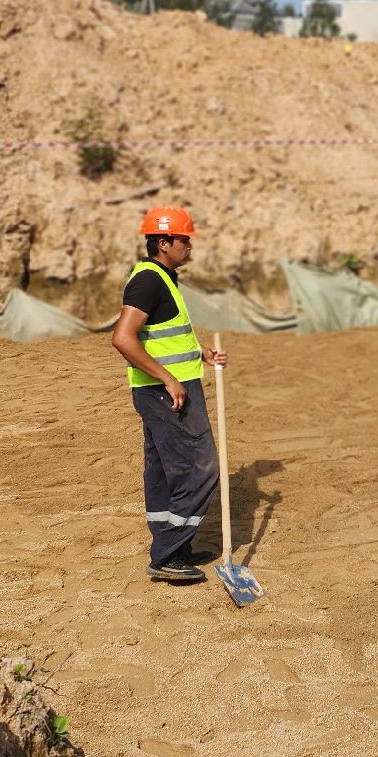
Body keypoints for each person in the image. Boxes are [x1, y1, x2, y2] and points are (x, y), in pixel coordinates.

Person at [108, 207, 228, 582]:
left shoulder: (162, 278)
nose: (189, 246)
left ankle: (176, 547)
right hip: (166, 393)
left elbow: (160, 337)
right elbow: (123, 338)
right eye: (184, 239)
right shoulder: (148, 281)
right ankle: (166, 554)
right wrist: (168, 379)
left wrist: (201, 353)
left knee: (164, 470)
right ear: (164, 243)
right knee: (201, 467)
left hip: (161, 390)